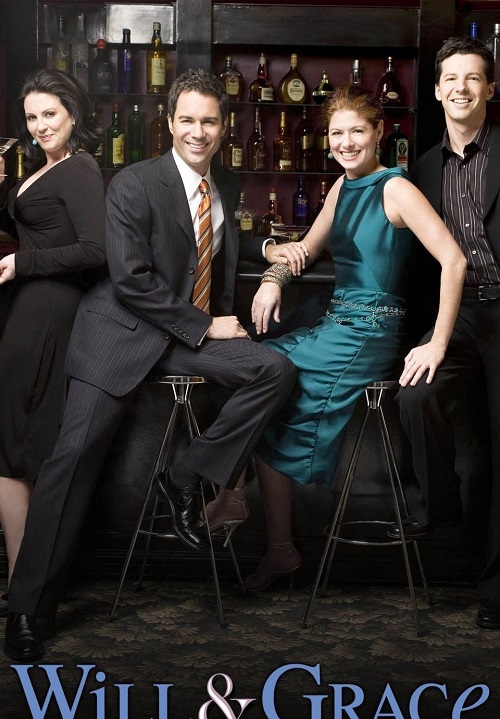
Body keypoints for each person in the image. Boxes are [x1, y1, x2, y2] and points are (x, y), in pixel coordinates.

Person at [2, 69, 296, 661]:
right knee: (70, 462)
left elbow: (219, 247)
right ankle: (28, 610)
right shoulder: (134, 182)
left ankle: (185, 476)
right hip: (119, 333)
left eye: (209, 121)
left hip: (180, 337)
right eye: (187, 120)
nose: (198, 132)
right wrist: (205, 326)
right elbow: (131, 279)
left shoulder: (225, 184)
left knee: (275, 371)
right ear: (168, 123)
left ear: (224, 127)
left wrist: (272, 257)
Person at [206, 83, 466, 592]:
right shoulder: (341, 189)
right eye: (336, 134)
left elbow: (454, 260)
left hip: (369, 333)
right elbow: (303, 249)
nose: (346, 143)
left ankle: (233, 495)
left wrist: (436, 342)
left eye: (356, 132)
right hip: (334, 325)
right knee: (255, 377)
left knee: (262, 381)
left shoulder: (395, 188)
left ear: (378, 132)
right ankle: (278, 546)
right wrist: (272, 278)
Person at [392, 37, 500, 630]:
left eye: (473, 77)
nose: (461, 87)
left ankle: (495, 591)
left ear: (490, 88)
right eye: (450, 78)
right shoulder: (422, 169)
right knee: (416, 396)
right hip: (451, 318)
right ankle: (440, 514)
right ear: (435, 91)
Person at [0, 70, 106, 618]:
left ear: (73, 113)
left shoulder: (80, 168)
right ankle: (22, 583)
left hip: (50, 311)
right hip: (26, 312)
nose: (40, 126)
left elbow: (96, 249)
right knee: (10, 448)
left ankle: (32, 586)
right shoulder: (41, 169)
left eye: (50, 114)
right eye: (32, 117)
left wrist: (24, 262)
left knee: (30, 447)